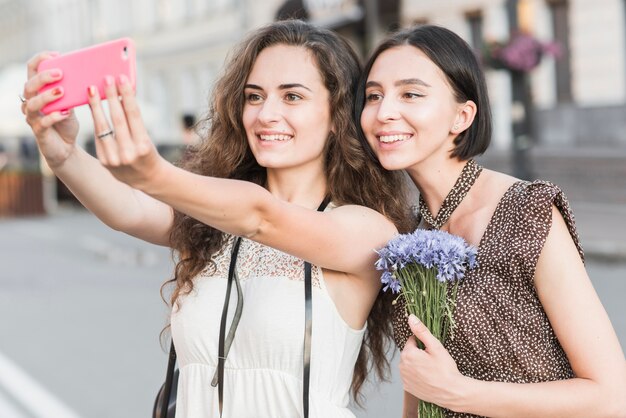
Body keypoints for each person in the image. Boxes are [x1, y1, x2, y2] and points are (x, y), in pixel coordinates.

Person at [21, 21, 413, 417]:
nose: (266, 114)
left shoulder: (366, 229)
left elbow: (262, 217)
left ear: (337, 115)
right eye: (254, 96)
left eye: (292, 96)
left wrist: (155, 174)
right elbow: (130, 210)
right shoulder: (216, 217)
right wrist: (62, 154)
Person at [355, 25, 626, 418]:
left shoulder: (526, 211)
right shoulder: (407, 236)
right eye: (374, 95)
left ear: (462, 116)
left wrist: (459, 393)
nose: (384, 112)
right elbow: (422, 384)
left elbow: (612, 396)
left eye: (410, 94)